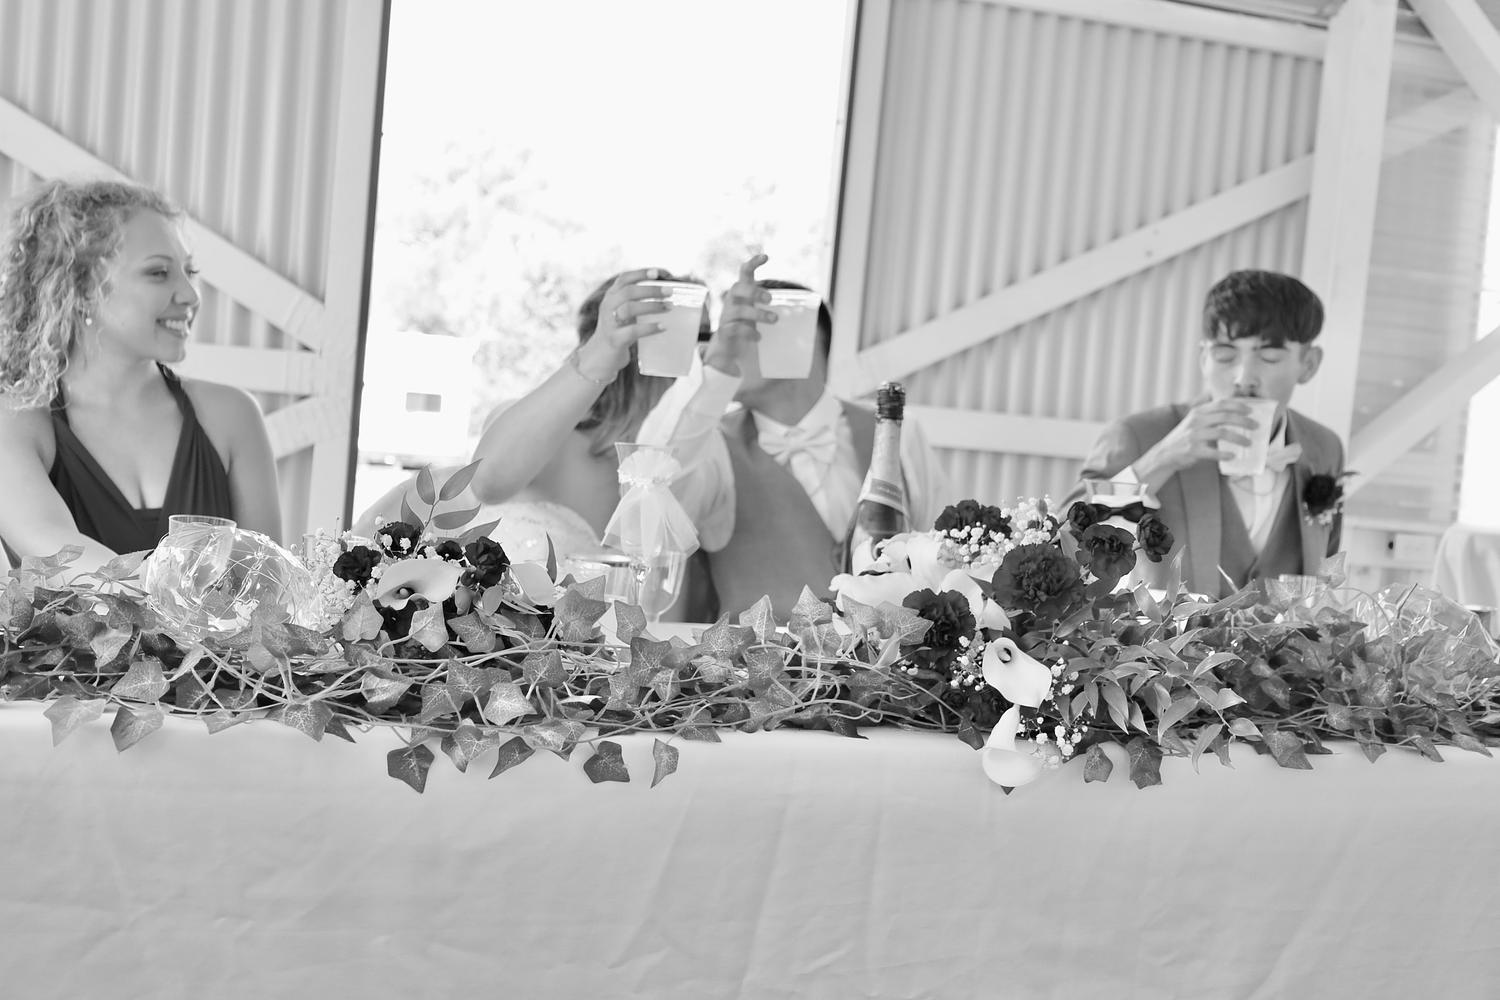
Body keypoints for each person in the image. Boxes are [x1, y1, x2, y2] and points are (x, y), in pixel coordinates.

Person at [636, 254, 946, 620]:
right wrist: (714, 367)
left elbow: (942, 559)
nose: (726, 342)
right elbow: (649, 491)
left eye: (742, 329)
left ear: (798, 339)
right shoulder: (711, 445)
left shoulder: (898, 432)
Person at [0, 179, 280, 575]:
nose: (191, 295)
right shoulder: (16, 423)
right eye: (159, 273)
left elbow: (270, 585)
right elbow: (59, 554)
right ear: (83, 288)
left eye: (189, 271)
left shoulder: (233, 416)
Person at [352, 269, 688, 563]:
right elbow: (487, 482)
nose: (699, 357)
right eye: (695, 336)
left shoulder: (685, 463)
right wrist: (599, 355)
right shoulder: (544, 437)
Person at [1075, 269, 1344, 597]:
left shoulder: (1324, 449)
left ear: (1309, 364)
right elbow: (1063, 540)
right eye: (1225, 355)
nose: (1243, 378)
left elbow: (1326, 570)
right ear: (1204, 358)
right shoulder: (1137, 435)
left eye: (1269, 356)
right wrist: (1159, 461)